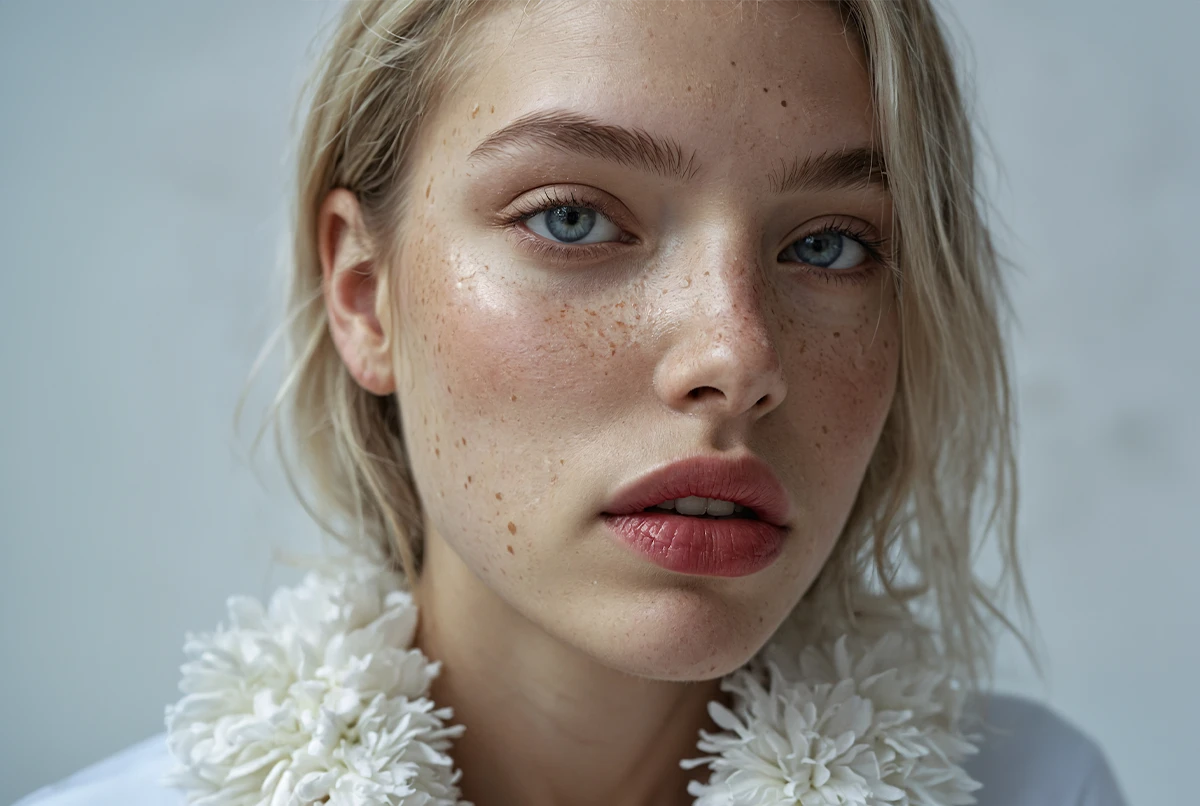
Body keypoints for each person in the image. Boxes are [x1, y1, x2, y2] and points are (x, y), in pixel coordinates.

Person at [16, 0, 1128, 804]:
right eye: (574, 219)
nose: (737, 354)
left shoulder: (1039, 789)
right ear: (364, 296)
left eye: (829, 244)